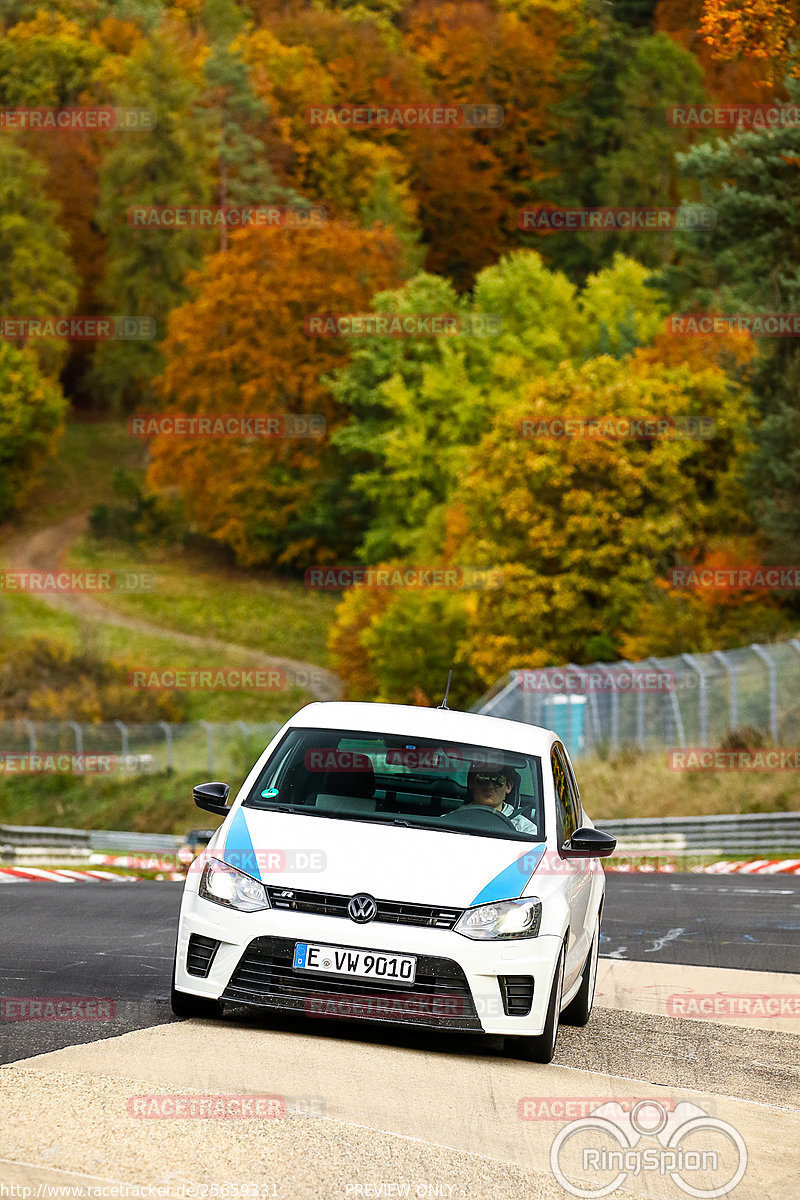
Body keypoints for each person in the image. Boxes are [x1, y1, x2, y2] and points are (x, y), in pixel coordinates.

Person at [466, 761, 539, 835]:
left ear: (508, 787)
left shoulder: (526, 829)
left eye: (498, 780)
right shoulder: (456, 819)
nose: (490, 786)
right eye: (482, 778)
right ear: (471, 783)